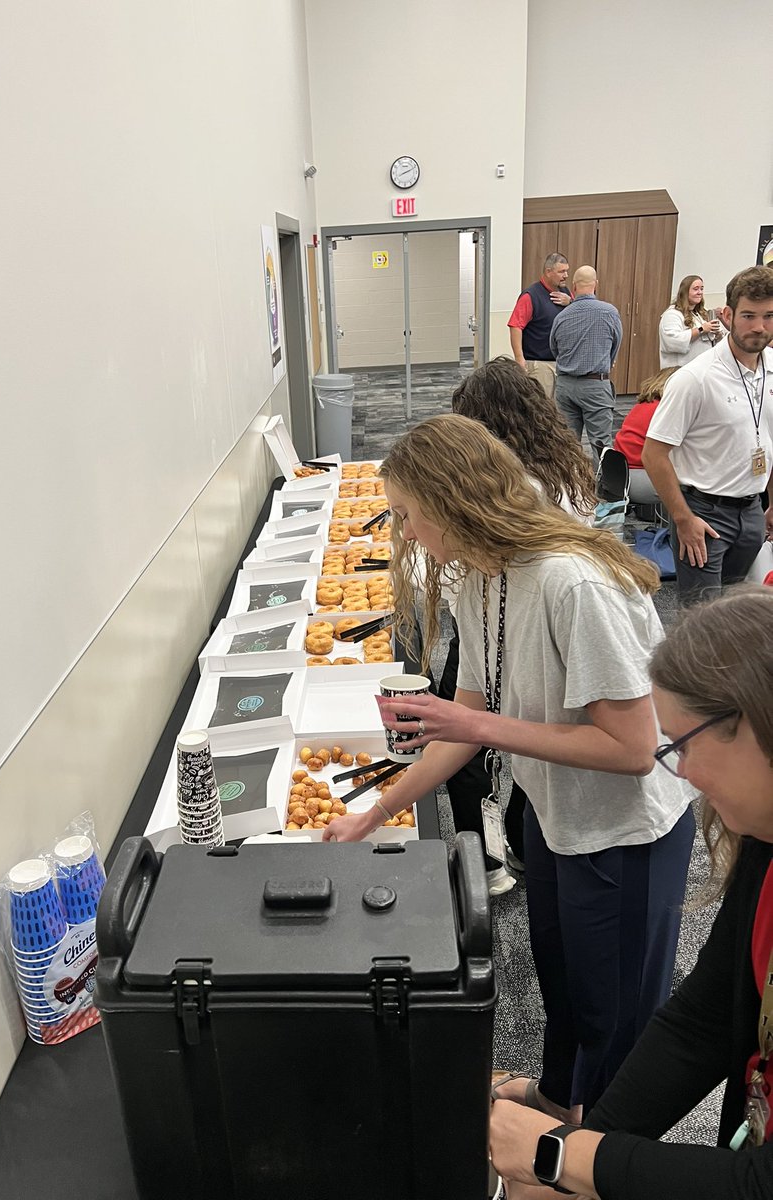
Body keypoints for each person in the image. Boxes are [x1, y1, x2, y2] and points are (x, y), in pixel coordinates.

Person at [323, 413, 694, 1117]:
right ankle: (559, 1099)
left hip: (623, 834)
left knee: (614, 1012)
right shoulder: (480, 574)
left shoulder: (571, 584)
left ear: (449, 504)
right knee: (563, 981)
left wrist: (478, 724)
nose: (406, 534)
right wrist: (376, 812)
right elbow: (466, 720)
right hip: (557, 818)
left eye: (407, 515)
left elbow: (633, 749)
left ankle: (593, 1150)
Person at [490, 585, 773, 1200]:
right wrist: (572, 1162)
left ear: (753, 724)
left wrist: (567, 1160)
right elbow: (703, 1020)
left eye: (683, 746)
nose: (683, 773)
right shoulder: (764, 838)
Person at [443, 357, 597, 895]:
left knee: (480, 731)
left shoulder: (507, 494)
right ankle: (520, 842)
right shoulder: (567, 467)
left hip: (510, 620)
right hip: (524, 623)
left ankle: (485, 858)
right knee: (532, 730)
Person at [642, 265, 773, 605]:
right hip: (704, 512)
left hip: (752, 509)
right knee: (700, 618)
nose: (759, 327)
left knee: (733, 611)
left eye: (769, 316)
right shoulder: (695, 378)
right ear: (727, 315)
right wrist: (683, 518)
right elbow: (653, 454)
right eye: (748, 316)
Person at [550, 266, 623, 464]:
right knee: (601, 443)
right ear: (596, 284)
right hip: (595, 385)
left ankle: (569, 480)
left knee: (567, 443)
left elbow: (554, 349)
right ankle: (603, 482)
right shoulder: (609, 312)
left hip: (565, 385)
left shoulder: (561, 316)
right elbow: (615, 346)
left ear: (573, 286)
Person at [508, 253, 571, 400]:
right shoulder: (530, 296)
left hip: (562, 363)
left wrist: (570, 302)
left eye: (567, 271)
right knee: (540, 406)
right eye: (561, 271)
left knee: (560, 408)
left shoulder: (565, 293)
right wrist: (519, 359)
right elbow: (515, 326)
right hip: (539, 365)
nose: (566, 275)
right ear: (548, 272)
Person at [613, 367, 678, 504]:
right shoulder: (663, 410)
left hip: (619, 473)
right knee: (695, 487)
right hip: (639, 476)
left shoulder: (643, 405)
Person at [658, 275, 723, 368]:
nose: (700, 292)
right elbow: (672, 341)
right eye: (696, 289)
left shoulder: (699, 315)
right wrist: (701, 329)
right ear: (685, 292)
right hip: (679, 369)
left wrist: (717, 335)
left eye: (701, 289)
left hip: (701, 367)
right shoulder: (672, 314)